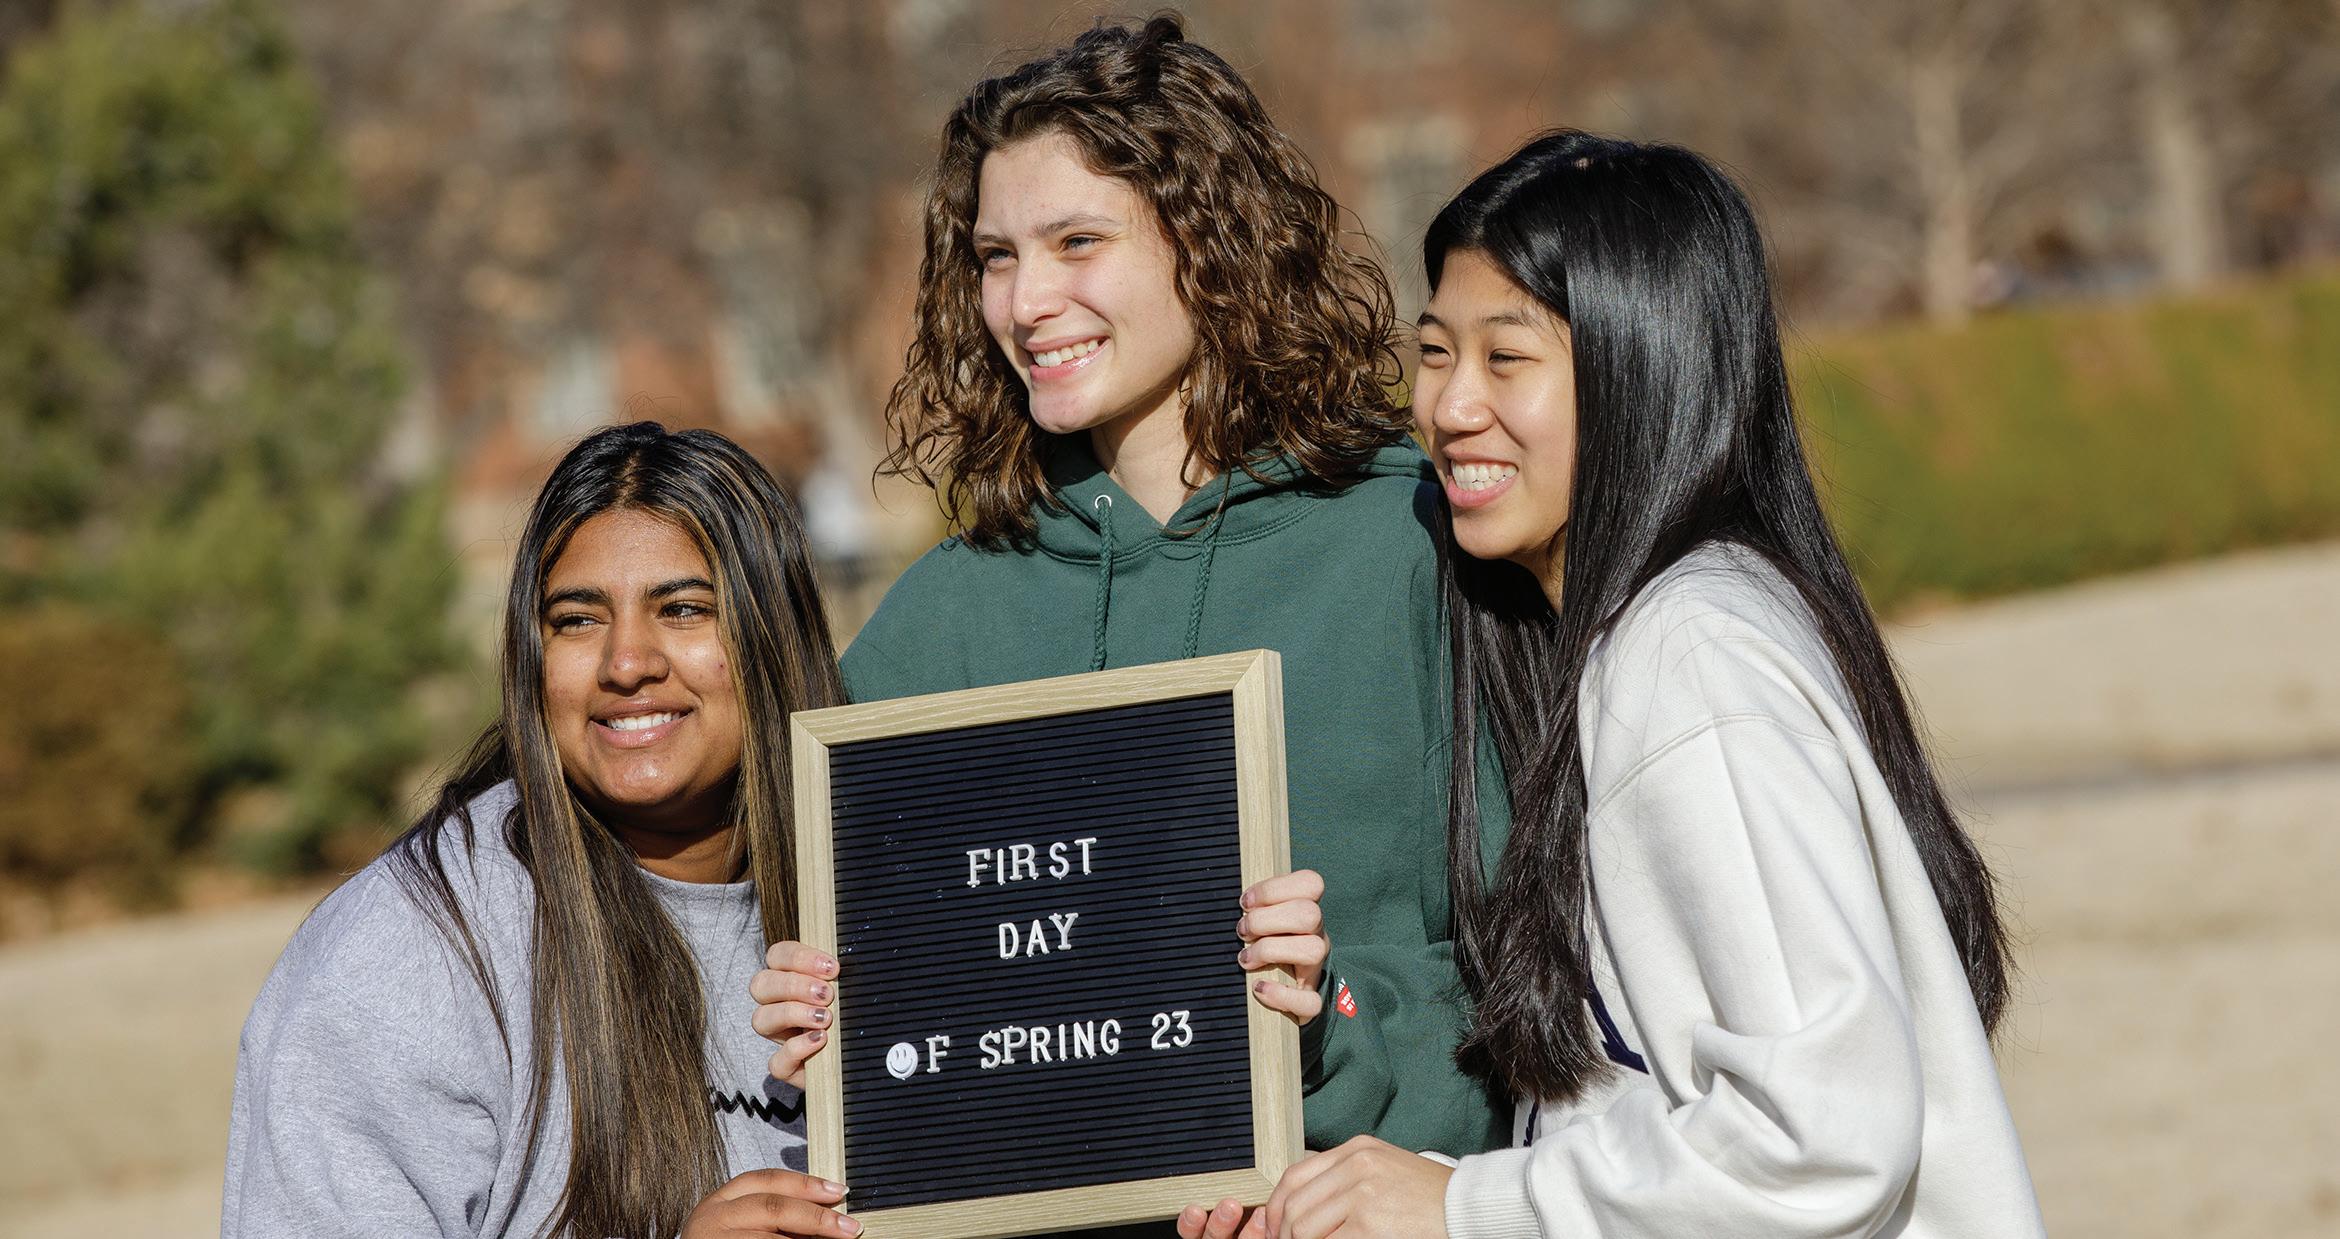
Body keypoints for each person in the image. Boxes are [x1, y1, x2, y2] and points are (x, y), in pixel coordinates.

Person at [751, 13, 1513, 1231]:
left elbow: (1533, 991)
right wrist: (828, 1025)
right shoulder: (938, 624)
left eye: (1077, 242)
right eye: (995, 256)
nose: (1026, 301)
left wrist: (1332, 1022)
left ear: (1211, 244)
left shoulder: (1416, 551)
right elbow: (901, 1038)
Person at [1246, 132, 2045, 1238]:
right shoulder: (1672, 623)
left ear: (1642, 367)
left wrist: (1469, 1205)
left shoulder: (1684, 658)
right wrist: (1381, 1195)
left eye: (1507, 359)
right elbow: (1648, 1093)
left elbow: (1817, 1134)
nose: (1449, 407)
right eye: (1434, 352)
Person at [223, 422, 861, 1239]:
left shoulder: (890, 882)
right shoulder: (404, 958)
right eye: (577, 619)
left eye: (684, 607)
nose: (627, 662)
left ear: (773, 637)